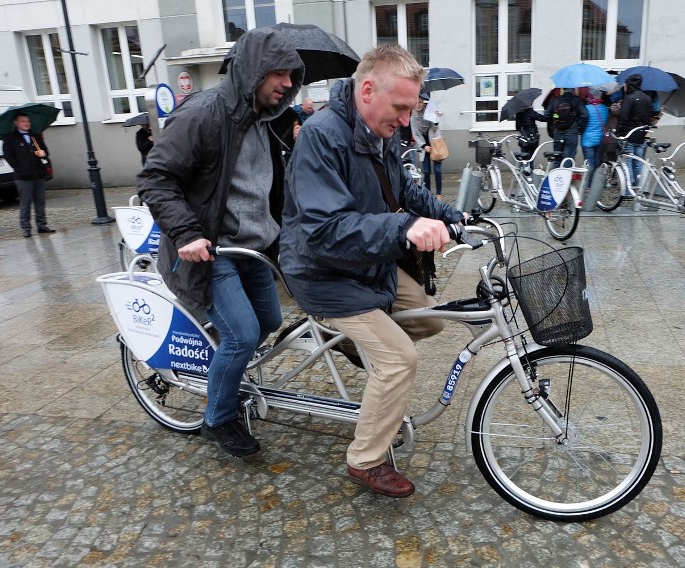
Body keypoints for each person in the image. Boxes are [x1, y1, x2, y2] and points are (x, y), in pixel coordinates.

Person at [279, 44, 465, 498]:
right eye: (401, 107)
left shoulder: (381, 131)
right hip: (322, 271)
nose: (406, 120)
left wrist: (452, 213)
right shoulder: (322, 136)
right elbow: (324, 230)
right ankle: (365, 460)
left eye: (411, 108)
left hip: (365, 263)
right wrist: (406, 226)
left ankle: (347, 343)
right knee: (399, 358)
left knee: (428, 317)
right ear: (367, 90)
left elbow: (401, 189)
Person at [137, 27, 304, 458]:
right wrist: (188, 233)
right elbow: (156, 179)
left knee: (267, 322)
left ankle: (219, 360)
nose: (287, 83)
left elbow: (270, 187)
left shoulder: (269, 119)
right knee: (243, 335)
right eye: (279, 74)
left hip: (254, 247)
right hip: (211, 251)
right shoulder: (205, 113)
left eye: (292, 75)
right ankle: (218, 418)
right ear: (253, 71)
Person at [2, 113, 55, 237]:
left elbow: (45, 152)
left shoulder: (35, 136)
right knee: (25, 202)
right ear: (16, 123)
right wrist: (19, 168)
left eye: (28, 121)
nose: (26, 124)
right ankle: (26, 227)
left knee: (40, 201)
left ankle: (41, 225)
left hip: (38, 174)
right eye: (23, 121)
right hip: (23, 177)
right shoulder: (10, 138)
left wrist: (43, 153)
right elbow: (8, 156)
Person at [616, 74, 653, 191]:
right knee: (638, 163)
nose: (624, 87)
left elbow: (623, 117)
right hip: (642, 134)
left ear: (629, 84)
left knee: (627, 163)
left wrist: (620, 133)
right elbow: (649, 116)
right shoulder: (647, 98)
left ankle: (628, 190)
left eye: (625, 85)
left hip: (630, 133)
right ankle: (639, 188)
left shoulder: (629, 98)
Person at [411, 92, 443, 198]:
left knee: (437, 170)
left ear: (423, 103)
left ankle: (439, 194)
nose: (419, 104)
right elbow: (415, 134)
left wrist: (436, 119)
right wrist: (424, 146)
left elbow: (435, 128)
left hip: (434, 142)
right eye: (416, 102)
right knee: (426, 170)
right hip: (423, 145)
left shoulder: (429, 112)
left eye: (420, 102)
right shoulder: (413, 118)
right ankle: (428, 193)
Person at [545, 87, 587, 169]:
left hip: (557, 132)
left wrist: (552, 129)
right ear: (574, 90)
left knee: (557, 158)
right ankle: (566, 179)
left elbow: (547, 115)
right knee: (568, 158)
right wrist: (580, 128)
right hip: (572, 132)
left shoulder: (555, 100)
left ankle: (556, 178)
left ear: (563, 90)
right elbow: (585, 115)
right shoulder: (577, 100)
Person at [580, 89, 609, 185]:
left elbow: (582, 123)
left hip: (587, 140)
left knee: (589, 164)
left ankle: (588, 183)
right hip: (600, 140)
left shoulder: (586, 108)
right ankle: (597, 183)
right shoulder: (604, 108)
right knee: (597, 163)